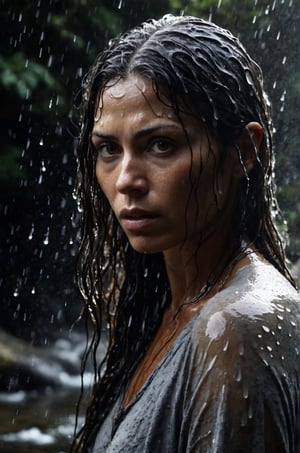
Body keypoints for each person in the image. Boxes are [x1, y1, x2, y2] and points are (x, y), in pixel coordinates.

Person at [72, 14, 300, 452]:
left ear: (243, 152)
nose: (125, 180)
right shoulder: (168, 308)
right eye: (108, 149)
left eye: (161, 145)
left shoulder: (235, 329)